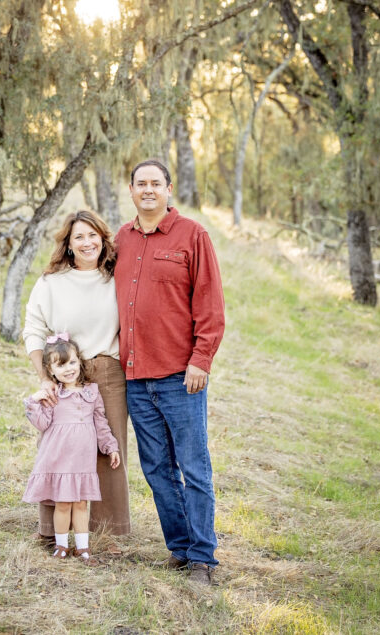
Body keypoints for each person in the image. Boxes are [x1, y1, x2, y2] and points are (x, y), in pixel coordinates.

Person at [114, 159, 225, 585]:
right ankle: (180, 549)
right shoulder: (121, 239)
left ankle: (203, 558)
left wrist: (202, 360)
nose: (147, 190)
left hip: (181, 376)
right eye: (140, 183)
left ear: (169, 189)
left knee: (194, 468)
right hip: (136, 378)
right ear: (131, 190)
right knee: (157, 469)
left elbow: (211, 305)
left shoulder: (192, 235)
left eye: (155, 184)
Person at [23, 209, 132, 541]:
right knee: (60, 448)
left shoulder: (118, 277)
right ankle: (52, 532)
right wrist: (45, 378)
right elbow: (33, 330)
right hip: (65, 374)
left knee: (108, 449)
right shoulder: (51, 282)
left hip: (107, 371)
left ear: (103, 238)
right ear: (68, 245)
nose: (87, 243)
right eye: (79, 237)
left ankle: (107, 535)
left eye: (93, 235)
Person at [23, 334, 121, 564]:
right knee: (63, 503)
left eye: (73, 362)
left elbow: (101, 423)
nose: (69, 369)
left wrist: (110, 447)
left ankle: (83, 547)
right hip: (59, 458)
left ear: (80, 362)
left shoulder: (91, 392)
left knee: (80, 503)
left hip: (82, 461)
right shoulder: (53, 394)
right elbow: (42, 423)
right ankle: (61, 545)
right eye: (61, 364)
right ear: (50, 369)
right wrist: (34, 401)